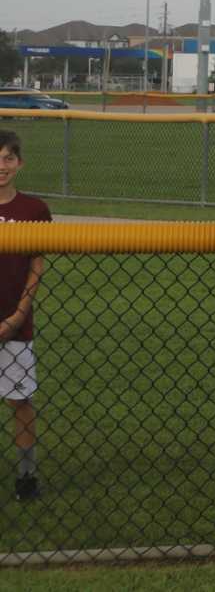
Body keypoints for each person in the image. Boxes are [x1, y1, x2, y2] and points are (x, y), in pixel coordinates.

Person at [0, 129, 49, 503]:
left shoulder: (33, 210)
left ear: (20, 163)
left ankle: (26, 476)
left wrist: (18, 314)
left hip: (16, 323)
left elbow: (37, 264)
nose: (1, 166)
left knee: (20, 400)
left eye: (8, 158)